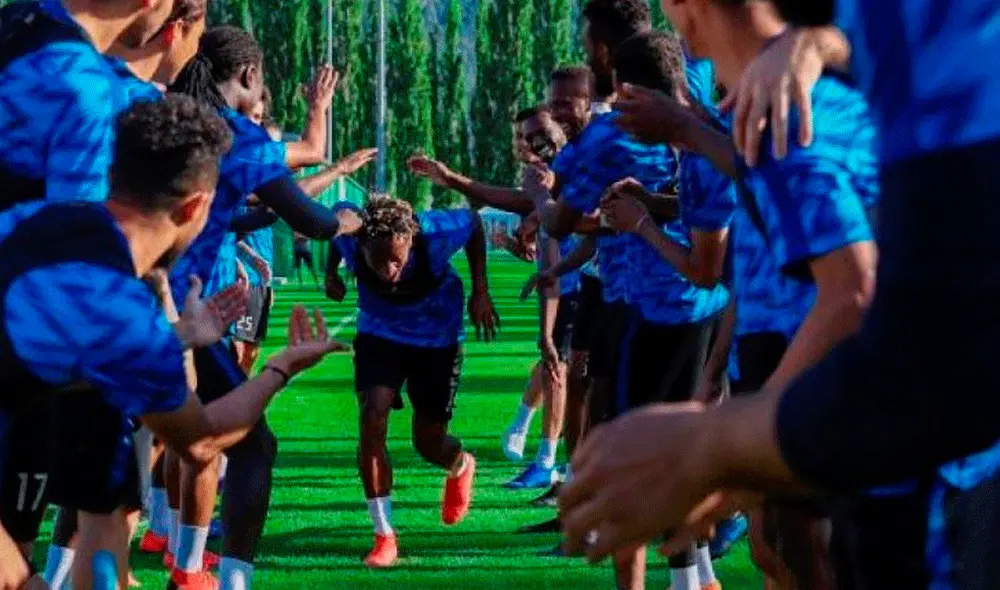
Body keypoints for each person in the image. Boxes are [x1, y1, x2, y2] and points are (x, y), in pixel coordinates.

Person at [558, 0, 1000, 583]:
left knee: (803, 551)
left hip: (903, 456)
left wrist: (719, 445)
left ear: (684, 9)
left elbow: (859, 296)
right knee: (780, 549)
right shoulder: (813, 90)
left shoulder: (780, 117)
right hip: (865, 403)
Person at [0, 96, 348, 590]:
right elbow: (201, 439)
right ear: (196, 207)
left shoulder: (42, 226)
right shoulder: (120, 308)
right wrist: (281, 367)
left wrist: (179, 339)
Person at [166, 25, 362, 590]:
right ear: (249, 75)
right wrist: (343, 221)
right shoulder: (236, 137)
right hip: (183, 311)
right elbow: (312, 219)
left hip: (104, 298)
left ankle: (178, 565)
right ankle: (225, 578)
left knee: (104, 458)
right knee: (250, 441)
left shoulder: (156, 116)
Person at [324, 195, 499, 569]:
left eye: (397, 261)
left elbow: (473, 222)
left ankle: (460, 463)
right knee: (372, 417)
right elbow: (334, 225)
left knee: (428, 442)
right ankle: (384, 535)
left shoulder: (435, 233)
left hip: (438, 338)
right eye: (380, 261)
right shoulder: (352, 235)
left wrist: (481, 290)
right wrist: (330, 272)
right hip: (380, 334)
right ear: (362, 245)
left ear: (411, 242)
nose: (390, 271)